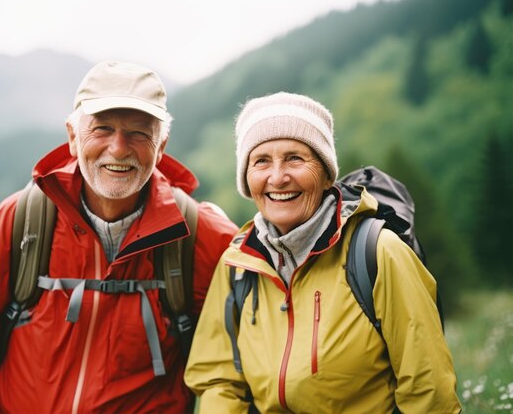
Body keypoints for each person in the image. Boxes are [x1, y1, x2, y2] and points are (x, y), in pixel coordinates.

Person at [0, 60, 238, 414]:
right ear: (73, 138)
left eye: (139, 132)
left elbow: (254, 354)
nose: (119, 148)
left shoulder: (199, 236)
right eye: (102, 129)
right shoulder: (22, 222)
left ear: (161, 146)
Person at [184, 92, 462, 413]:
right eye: (261, 161)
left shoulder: (377, 253)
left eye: (295, 158)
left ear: (327, 172)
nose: (277, 177)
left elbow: (428, 389)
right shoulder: (237, 264)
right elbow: (218, 378)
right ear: (247, 178)